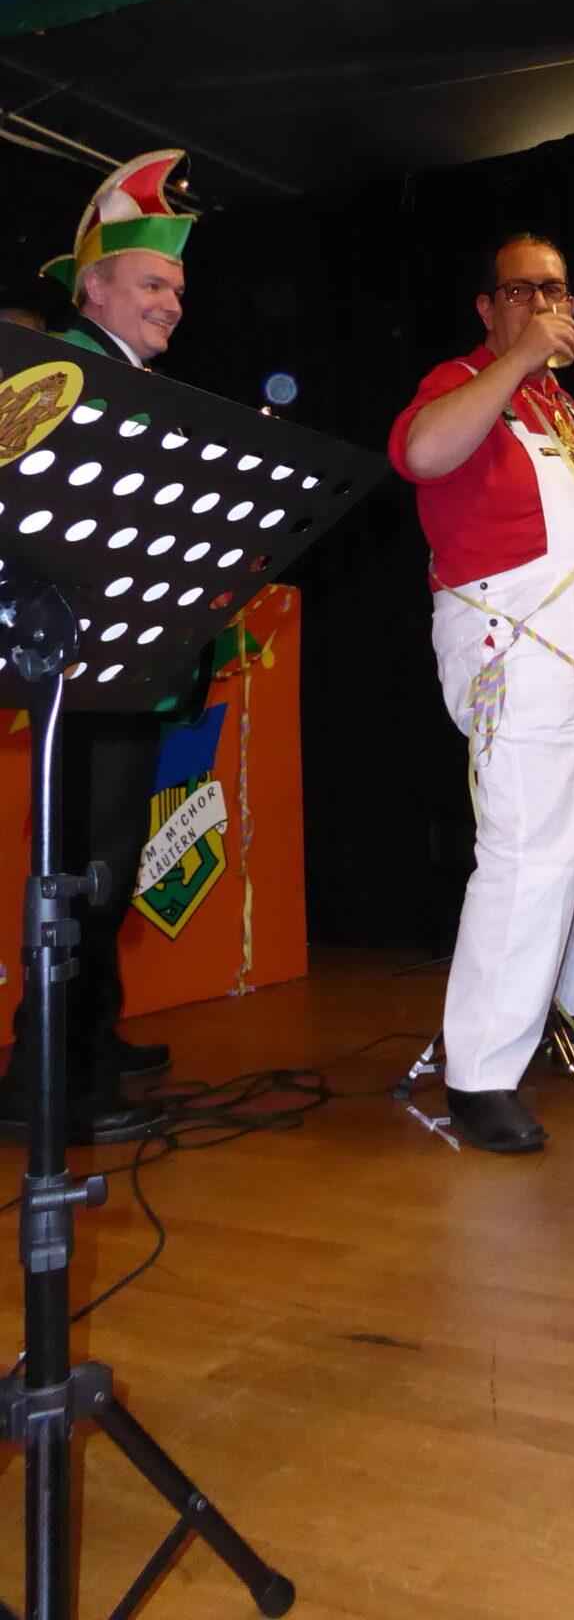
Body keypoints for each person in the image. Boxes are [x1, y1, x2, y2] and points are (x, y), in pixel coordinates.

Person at [389, 233, 574, 1154]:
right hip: (521, 648)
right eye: (523, 290)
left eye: (559, 292)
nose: (548, 305)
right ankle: (480, 1072)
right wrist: (516, 360)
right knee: (531, 854)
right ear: (488, 307)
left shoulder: (568, 412)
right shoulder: (463, 382)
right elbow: (423, 454)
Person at [0, 152, 195, 1145]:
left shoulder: (128, 379)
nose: (171, 305)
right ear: (94, 289)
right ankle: (47, 1081)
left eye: (178, 291)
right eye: (153, 284)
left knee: (101, 871)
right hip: (80, 671)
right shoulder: (62, 374)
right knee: (82, 873)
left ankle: (91, 1041)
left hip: (125, 668)